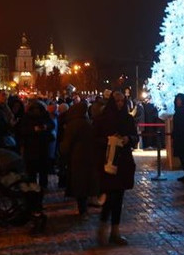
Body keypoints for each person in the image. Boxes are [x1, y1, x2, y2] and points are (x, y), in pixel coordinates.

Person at [94, 91, 139, 246]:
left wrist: (128, 139)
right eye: (117, 101)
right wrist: (108, 140)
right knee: (110, 196)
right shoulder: (102, 119)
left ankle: (115, 230)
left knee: (118, 197)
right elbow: (94, 138)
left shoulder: (128, 118)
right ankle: (103, 227)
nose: (120, 104)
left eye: (122, 101)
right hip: (108, 162)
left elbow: (135, 137)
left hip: (123, 161)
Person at [60, 101, 99, 216]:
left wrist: (63, 152)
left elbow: (66, 144)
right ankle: (84, 208)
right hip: (87, 156)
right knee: (85, 183)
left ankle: (82, 209)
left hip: (76, 157)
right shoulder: (86, 122)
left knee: (79, 184)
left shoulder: (73, 124)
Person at [16, 100, 56, 191]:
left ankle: (35, 186)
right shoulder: (40, 116)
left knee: (34, 168)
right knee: (39, 168)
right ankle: (39, 186)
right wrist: (35, 129)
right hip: (38, 145)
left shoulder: (27, 116)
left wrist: (44, 127)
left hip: (34, 146)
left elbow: (22, 130)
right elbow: (22, 130)